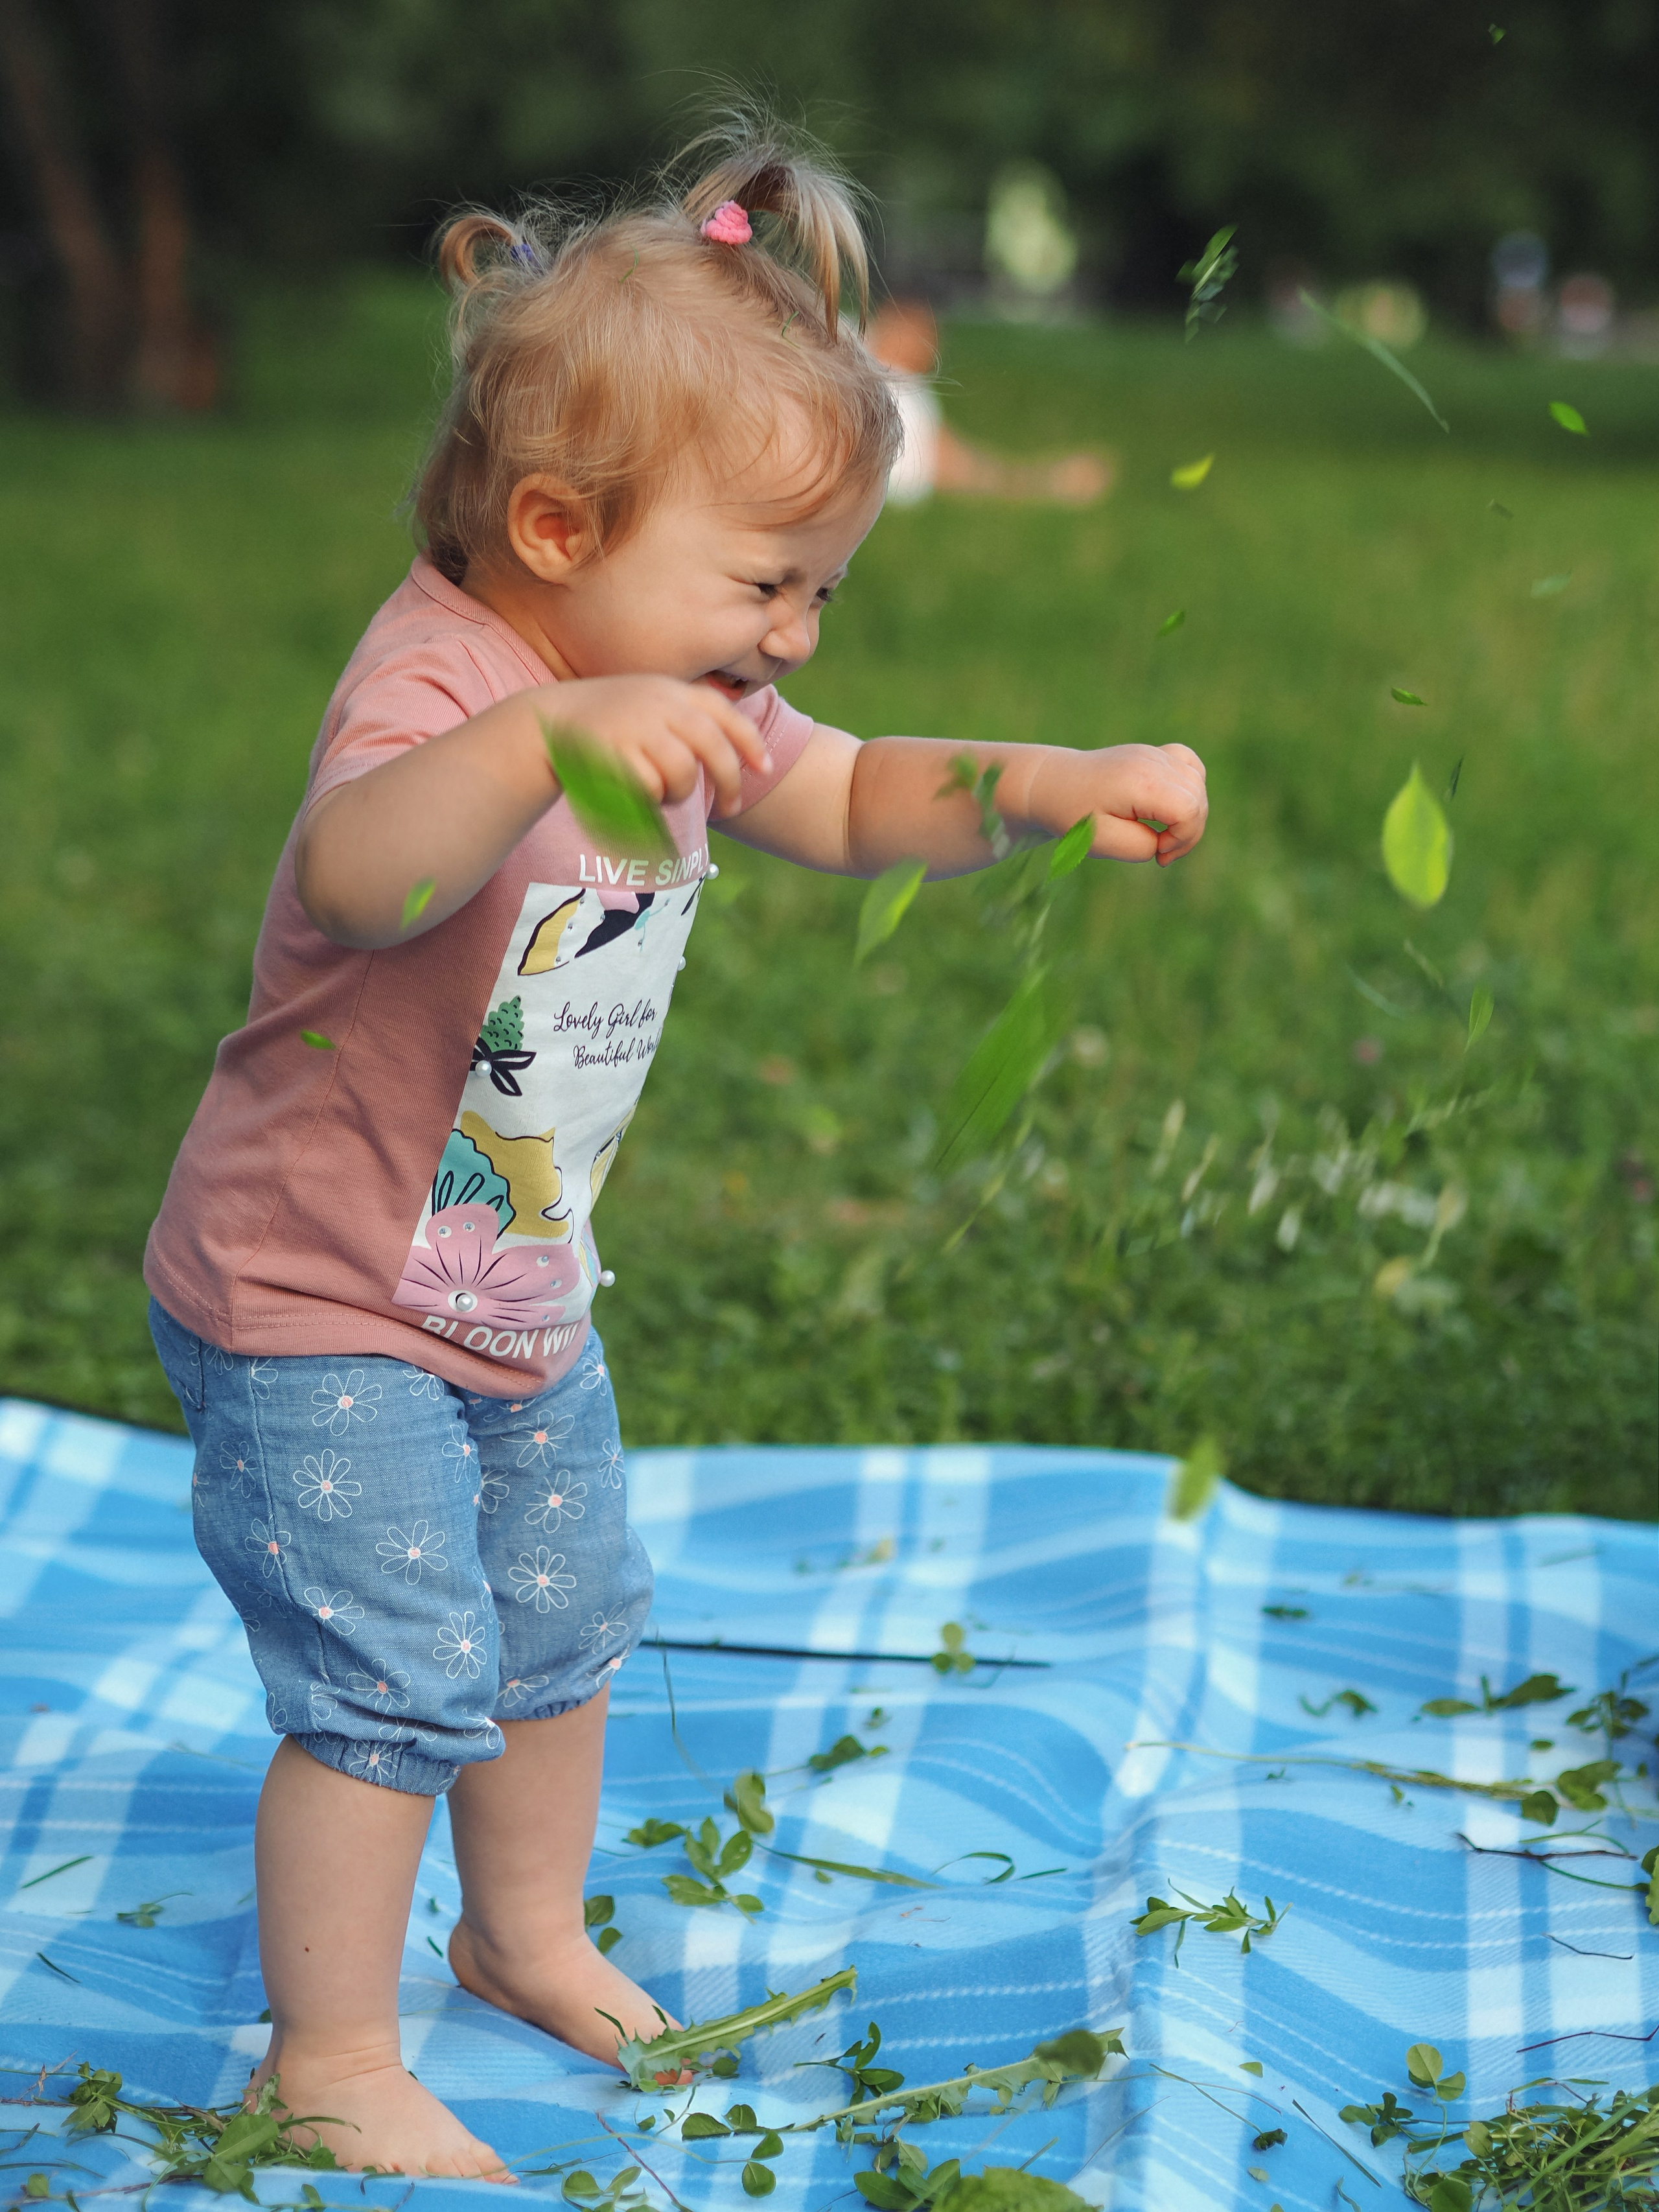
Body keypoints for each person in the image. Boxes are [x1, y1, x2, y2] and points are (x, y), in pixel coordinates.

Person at [142, 124, 1207, 2182]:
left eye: (819, 590)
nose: (793, 638)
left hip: (510, 1272)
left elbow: (858, 791)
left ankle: (523, 1932)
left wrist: (1049, 781)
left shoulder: (686, 680)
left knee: (558, 1610)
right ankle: (331, 2050)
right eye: (766, 583)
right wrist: (539, 743)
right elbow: (359, 874)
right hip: (314, 1292)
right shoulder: (447, 684)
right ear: (554, 526)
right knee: (388, 1672)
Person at [868, 296, 1114, 506]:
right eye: (925, 330)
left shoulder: (890, 381)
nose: (935, 344)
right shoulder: (898, 396)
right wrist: (1052, 482)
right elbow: (961, 471)